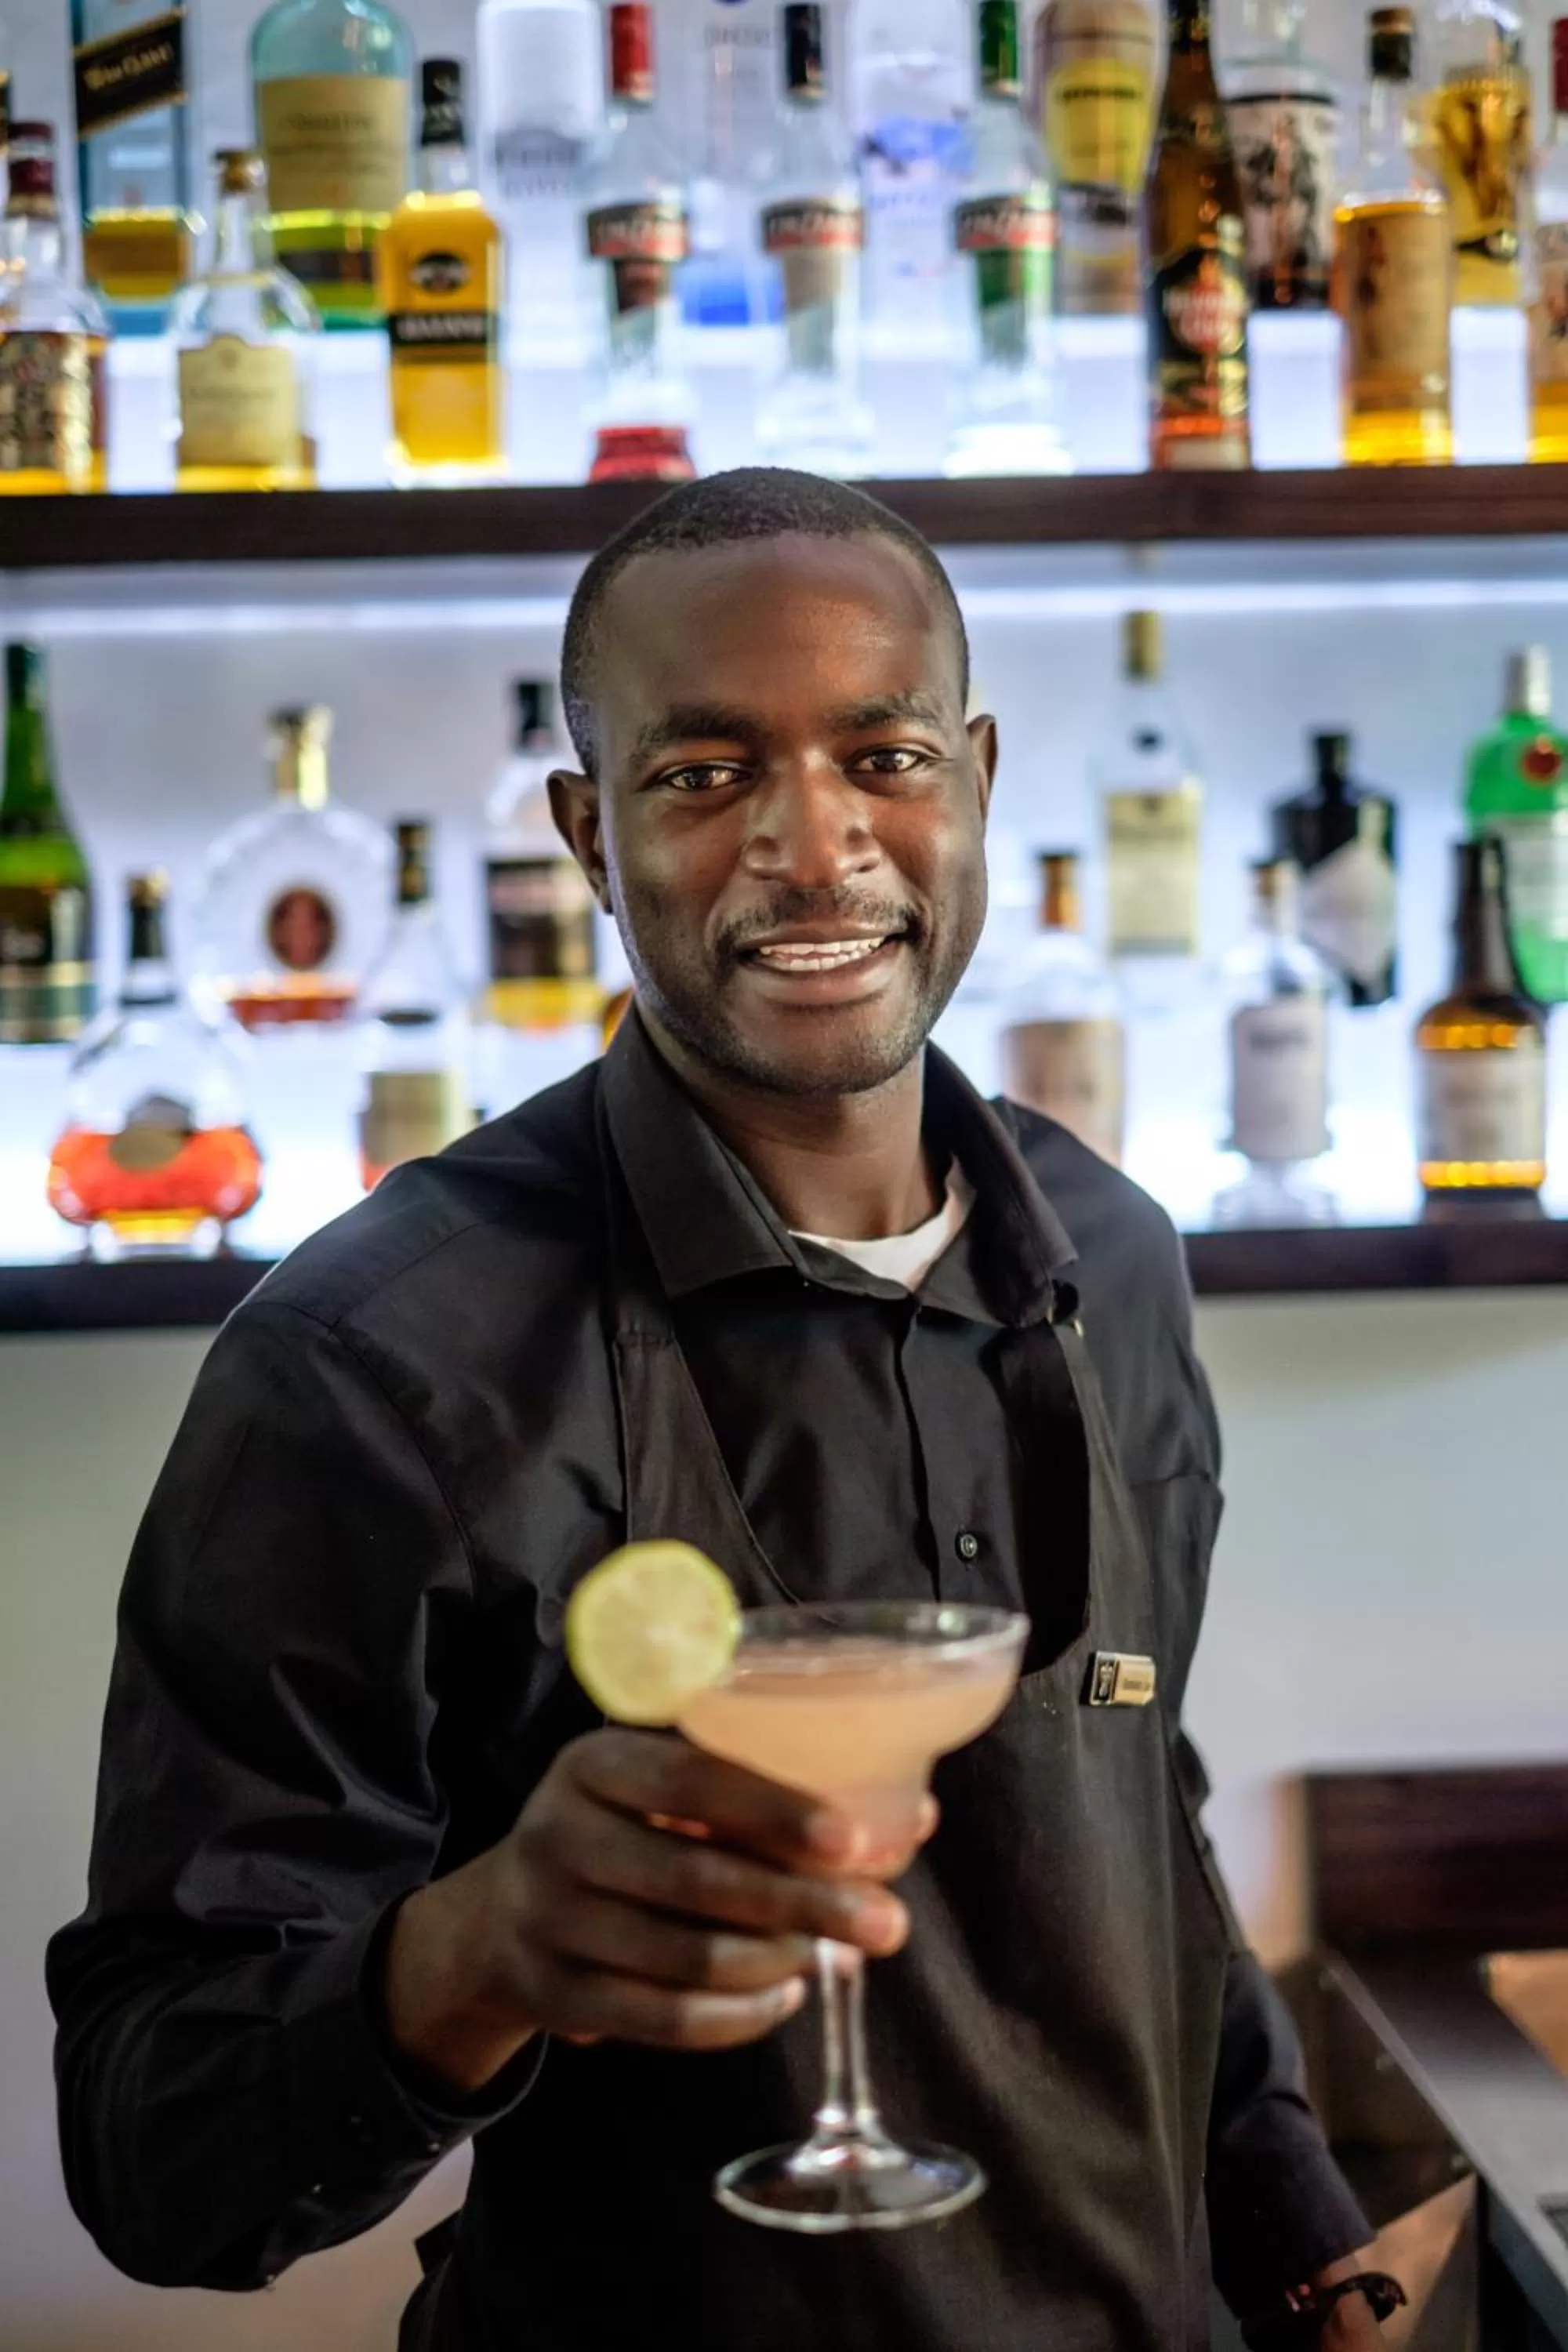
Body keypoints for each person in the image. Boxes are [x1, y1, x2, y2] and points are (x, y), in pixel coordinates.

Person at [49, 470, 1396, 2352]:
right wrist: (471, 1954)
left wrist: (1299, 2230)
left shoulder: (1110, 1249)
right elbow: (155, 2155)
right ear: (590, 836)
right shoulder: (373, 1365)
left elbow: (1126, 1791)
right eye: (703, 777)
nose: (815, 844)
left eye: (884, 755)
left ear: (979, 777)